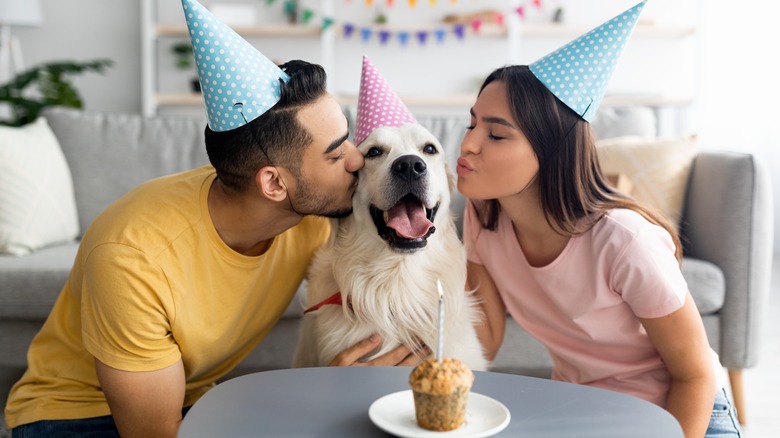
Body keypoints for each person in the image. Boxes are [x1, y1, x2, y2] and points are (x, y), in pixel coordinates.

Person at [4, 1, 425, 437]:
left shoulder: (318, 207)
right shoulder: (132, 258)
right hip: (75, 415)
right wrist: (322, 394)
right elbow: (155, 434)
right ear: (274, 185)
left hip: (195, 398)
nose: (357, 160)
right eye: (337, 153)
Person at [457, 2, 741, 438]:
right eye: (471, 124)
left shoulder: (625, 242)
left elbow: (696, 375)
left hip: (680, 416)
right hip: (583, 410)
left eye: (495, 134)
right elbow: (486, 334)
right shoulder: (483, 216)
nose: (469, 144)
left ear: (550, 151)